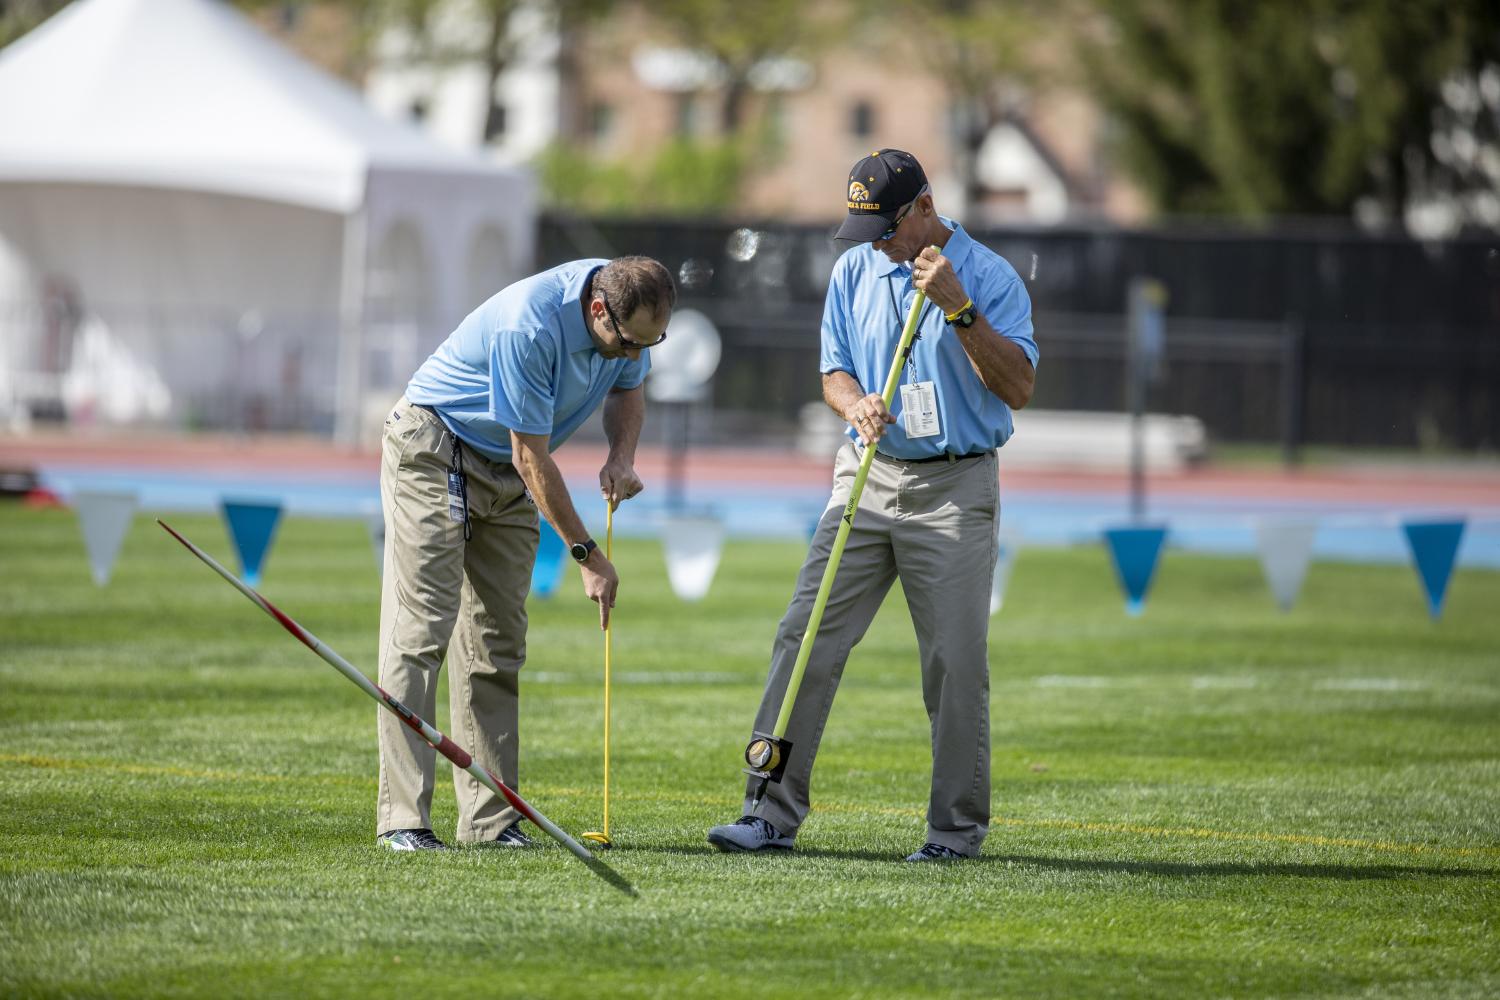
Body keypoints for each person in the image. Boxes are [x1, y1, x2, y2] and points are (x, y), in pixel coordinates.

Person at [707, 149, 1037, 861]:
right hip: (866, 471)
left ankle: (952, 834)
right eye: (865, 231)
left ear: (924, 208)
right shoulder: (855, 268)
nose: (877, 245)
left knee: (954, 661)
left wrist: (961, 309)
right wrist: (854, 404)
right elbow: (833, 370)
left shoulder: (991, 277)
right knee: (804, 637)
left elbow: (1018, 386)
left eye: (886, 230)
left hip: (953, 489)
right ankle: (766, 812)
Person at [376, 256, 674, 851]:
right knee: (423, 632)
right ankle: (403, 821)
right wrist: (587, 556)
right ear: (597, 310)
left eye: (651, 341)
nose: (633, 354)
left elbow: (628, 387)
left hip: (508, 468)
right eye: (626, 342)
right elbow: (531, 458)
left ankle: (491, 821)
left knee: (497, 644)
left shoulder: (626, 315)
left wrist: (622, 455)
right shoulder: (529, 328)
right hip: (438, 448)